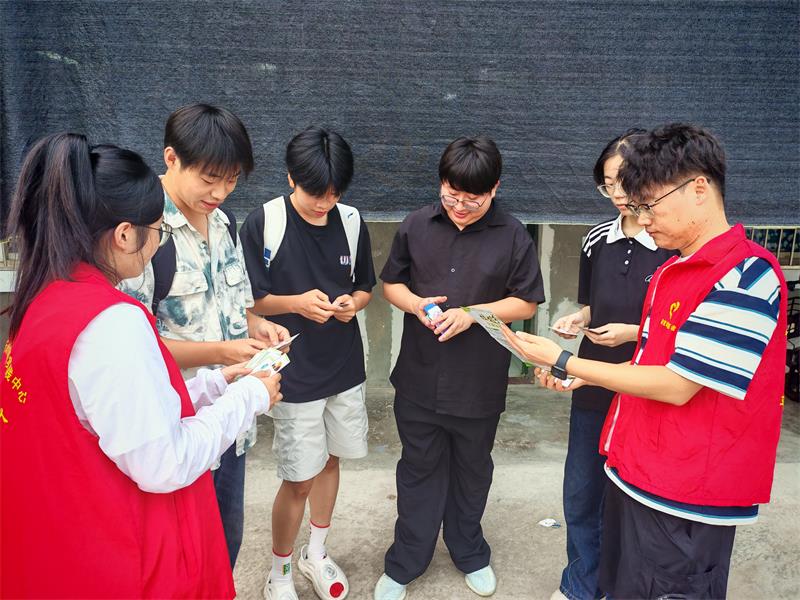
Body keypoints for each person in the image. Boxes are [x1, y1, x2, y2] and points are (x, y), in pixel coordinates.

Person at [504, 123, 787, 599]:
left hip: (686, 491)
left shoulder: (745, 275)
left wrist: (566, 361)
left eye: (649, 204)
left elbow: (678, 384)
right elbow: (650, 358)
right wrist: (582, 379)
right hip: (638, 468)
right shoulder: (674, 268)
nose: (643, 218)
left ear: (699, 189)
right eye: (634, 206)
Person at [0, 133, 282, 598]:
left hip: (60, 534)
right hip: (120, 554)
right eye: (157, 232)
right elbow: (162, 462)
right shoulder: (112, 321)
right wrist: (249, 397)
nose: (157, 244)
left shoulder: (46, 297)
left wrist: (216, 384)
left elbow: (119, 417)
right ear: (125, 234)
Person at [373, 136, 546, 600]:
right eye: (452, 196)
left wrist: (472, 314)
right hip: (419, 377)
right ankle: (406, 562)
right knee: (417, 471)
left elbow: (527, 301)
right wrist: (415, 304)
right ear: (441, 184)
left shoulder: (512, 234)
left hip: (478, 383)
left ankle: (469, 552)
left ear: (495, 189)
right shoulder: (416, 224)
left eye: (473, 199)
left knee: (472, 473)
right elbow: (391, 285)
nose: (461, 207)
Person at [120, 103, 290, 568]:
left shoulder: (223, 222)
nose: (220, 192)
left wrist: (258, 326)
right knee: (178, 561)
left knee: (223, 548)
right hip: (174, 432)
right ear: (171, 158)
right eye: (210, 178)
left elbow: (237, 305)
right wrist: (224, 352)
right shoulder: (141, 232)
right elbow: (133, 349)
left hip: (232, 422)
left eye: (232, 180)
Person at [239, 126, 376, 600]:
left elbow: (364, 286)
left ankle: (315, 552)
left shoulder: (351, 221)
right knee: (298, 477)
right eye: (316, 193)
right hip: (293, 371)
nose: (325, 203)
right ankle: (278, 572)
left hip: (343, 364)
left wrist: (352, 305)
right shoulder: (265, 222)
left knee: (331, 459)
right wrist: (296, 303)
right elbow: (250, 299)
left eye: (335, 193)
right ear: (291, 178)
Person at [549, 129, 677, 600]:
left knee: (635, 500)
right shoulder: (595, 239)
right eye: (608, 185)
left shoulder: (673, 245)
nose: (619, 194)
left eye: (626, 181)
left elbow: (680, 328)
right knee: (582, 492)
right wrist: (578, 318)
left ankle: (626, 586)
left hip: (649, 390)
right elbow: (593, 303)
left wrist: (633, 332)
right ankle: (582, 585)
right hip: (593, 383)